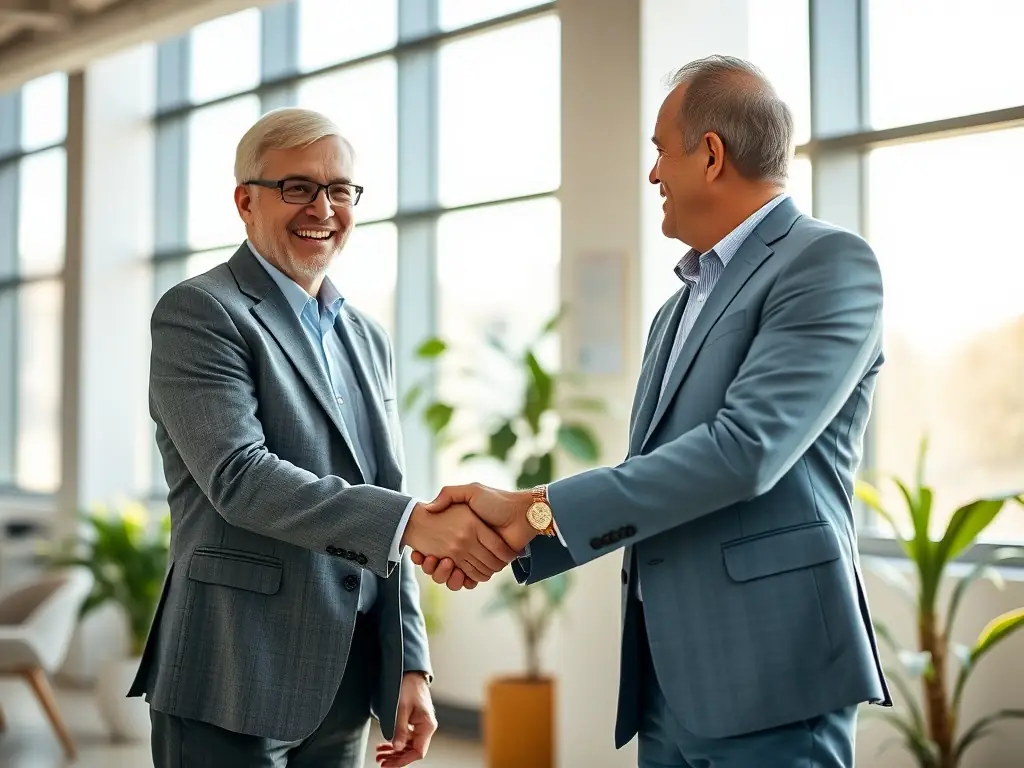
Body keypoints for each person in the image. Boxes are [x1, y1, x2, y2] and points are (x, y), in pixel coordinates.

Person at [412, 55, 892, 767]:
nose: (653, 174)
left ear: (711, 155)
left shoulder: (827, 263)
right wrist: (525, 524)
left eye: (661, 151)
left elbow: (745, 452)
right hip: (668, 678)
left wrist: (536, 509)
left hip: (772, 679)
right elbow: (662, 473)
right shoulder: (676, 309)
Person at [129, 107, 517, 768]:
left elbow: (387, 490)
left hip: (344, 675)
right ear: (245, 202)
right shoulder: (201, 311)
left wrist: (410, 663)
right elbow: (240, 478)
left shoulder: (366, 336)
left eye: (340, 189)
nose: (323, 208)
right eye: (298, 187)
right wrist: (414, 523)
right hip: (233, 669)